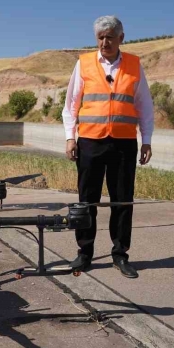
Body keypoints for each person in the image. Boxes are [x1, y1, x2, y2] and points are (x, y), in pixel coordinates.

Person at [61, 15, 154, 278]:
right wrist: (70, 137)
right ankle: (84, 253)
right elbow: (71, 105)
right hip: (90, 141)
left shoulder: (134, 65)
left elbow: (144, 106)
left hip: (124, 144)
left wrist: (146, 139)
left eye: (110, 37)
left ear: (121, 38)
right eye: (100, 38)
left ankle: (120, 255)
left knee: (122, 201)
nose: (105, 42)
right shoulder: (84, 64)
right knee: (86, 200)